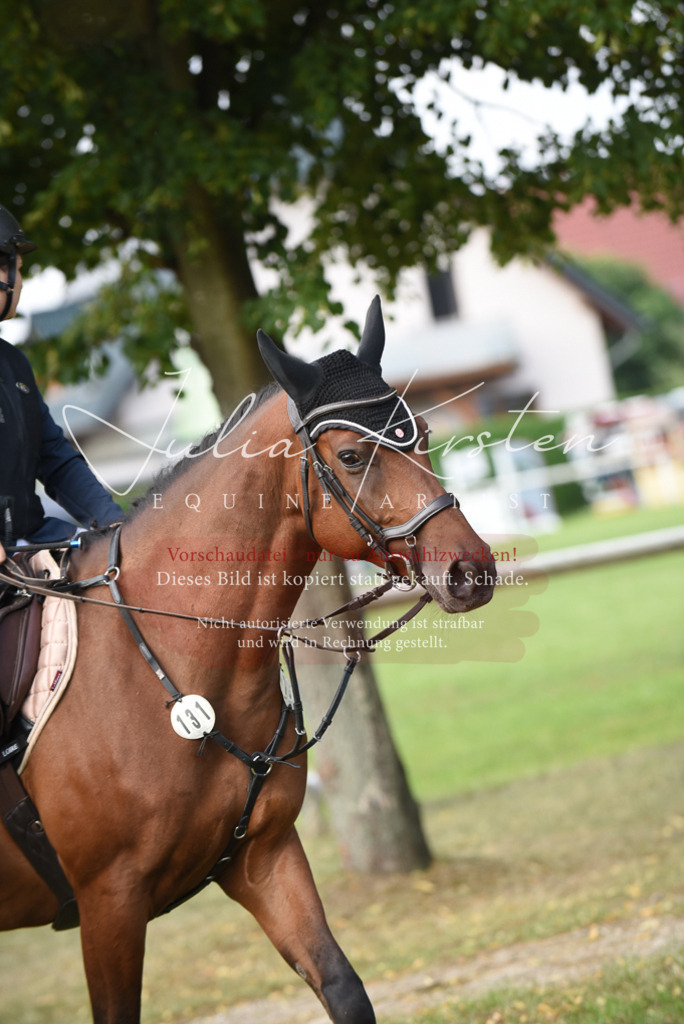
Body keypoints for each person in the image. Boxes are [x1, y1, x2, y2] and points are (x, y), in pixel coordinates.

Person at [0, 204, 123, 547]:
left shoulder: (14, 364)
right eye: (18, 270)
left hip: (30, 543)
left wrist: (114, 524)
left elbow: (53, 455)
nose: (21, 283)